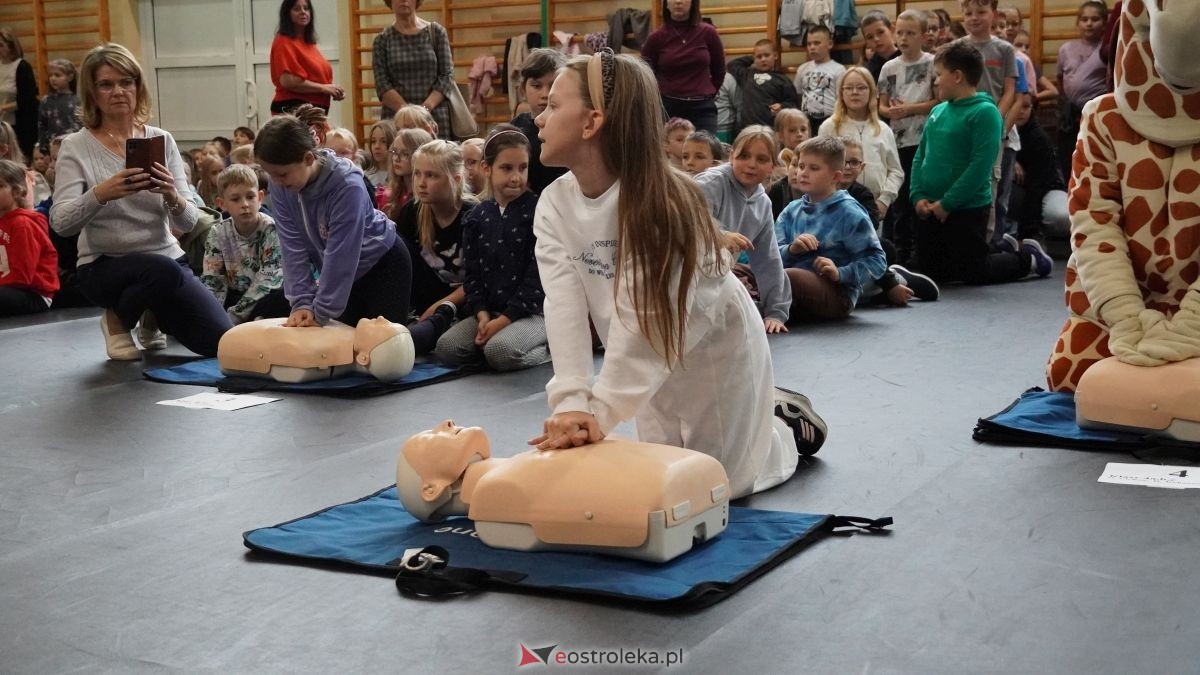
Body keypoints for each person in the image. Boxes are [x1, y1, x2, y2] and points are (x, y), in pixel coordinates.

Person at [531, 51, 827, 500]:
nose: (539, 118)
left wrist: (599, 414)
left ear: (591, 122)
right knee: (663, 481)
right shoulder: (554, 204)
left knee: (719, 486)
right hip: (646, 350)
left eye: (553, 105)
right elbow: (564, 308)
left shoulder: (663, 206)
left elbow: (647, 321)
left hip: (712, 347)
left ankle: (781, 422)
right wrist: (572, 402)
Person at [51, 43, 230, 360]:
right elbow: (61, 224)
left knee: (220, 342)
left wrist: (172, 194)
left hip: (165, 261)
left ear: (138, 86)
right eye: (106, 84)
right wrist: (101, 194)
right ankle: (117, 319)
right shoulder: (75, 147)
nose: (118, 91)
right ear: (92, 92)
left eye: (126, 82)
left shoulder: (162, 139)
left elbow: (189, 223)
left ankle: (152, 309)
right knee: (159, 270)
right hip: (103, 266)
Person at [254, 105, 412, 327]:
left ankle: (431, 326)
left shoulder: (348, 187)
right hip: (340, 272)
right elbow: (292, 246)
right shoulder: (282, 184)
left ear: (308, 159)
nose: (276, 182)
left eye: (281, 174)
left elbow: (342, 255)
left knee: (381, 352)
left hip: (382, 265)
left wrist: (320, 312)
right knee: (338, 353)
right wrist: (301, 303)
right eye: (270, 174)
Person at [910, 42, 1051, 285]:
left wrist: (949, 202)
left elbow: (979, 166)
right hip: (932, 205)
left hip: (966, 207)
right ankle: (996, 250)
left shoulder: (986, 112)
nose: (934, 82)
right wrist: (917, 194)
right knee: (930, 271)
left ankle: (1028, 259)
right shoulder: (939, 111)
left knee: (974, 272)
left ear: (957, 76)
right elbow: (920, 156)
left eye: (938, 75)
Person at [433, 127, 548, 371]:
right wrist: (482, 314)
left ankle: (547, 349)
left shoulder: (539, 211)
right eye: (507, 168)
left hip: (532, 313)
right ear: (487, 168)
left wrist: (504, 321)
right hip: (490, 312)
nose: (516, 177)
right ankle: (492, 345)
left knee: (500, 352)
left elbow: (537, 278)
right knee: (447, 349)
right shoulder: (476, 216)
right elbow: (472, 276)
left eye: (522, 168)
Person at [775, 136, 887, 321]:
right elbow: (771, 255)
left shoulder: (849, 212)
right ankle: (759, 305)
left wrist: (840, 273)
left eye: (814, 168)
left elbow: (877, 261)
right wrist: (791, 249)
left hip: (836, 294)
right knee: (740, 269)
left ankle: (760, 305)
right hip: (790, 287)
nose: (803, 173)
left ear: (835, 176)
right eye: (801, 166)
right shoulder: (791, 211)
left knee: (789, 277)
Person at [695, 126, 792, 333]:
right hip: (683, 275)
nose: (751, 165)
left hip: (717, 278)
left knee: (745, 311)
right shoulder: (711, 183)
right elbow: (682, 227)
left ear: (773, 166)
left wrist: (775, 312)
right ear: (731, 156)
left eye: (762, 159)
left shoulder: (763, 203)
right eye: (744, 156)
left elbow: (768, 259)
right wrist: (720, 236)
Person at [393, 139, 475, 334]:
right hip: (425, 298)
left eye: (431, 176)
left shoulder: (474, 216)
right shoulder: (412, 211)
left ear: (455, 179)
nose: (421, 183)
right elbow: (399, 265)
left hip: (464, 301)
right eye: (417, 174)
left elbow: (478, 281)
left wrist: (440, 306)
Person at [878, 10, 936, 267]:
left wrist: (910, 109)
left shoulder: (933, 63)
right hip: (898, 141)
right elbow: (881, 106)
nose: (903, 38)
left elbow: (940, 101)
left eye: (910, 33)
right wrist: (890, 111)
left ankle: (924, 252)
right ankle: (902, 253)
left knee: (921, 196)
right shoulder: (889, 67)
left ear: (923, 35)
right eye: (899, 32)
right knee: (900, 201)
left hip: (925, 141)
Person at [200, 164, 287, 324]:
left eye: (250, 197)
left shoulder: (271, 229)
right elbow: (213, 279)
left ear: (260, 198)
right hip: (235, 296)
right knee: (198, 297)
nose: (245, 204)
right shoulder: (217, 232)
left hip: (265, 295)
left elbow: (268, 280)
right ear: (222, 203)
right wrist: (213, 317)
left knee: (283, 298)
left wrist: (235, 315)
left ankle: (255, 323)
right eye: (235, 199)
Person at [818, 67, 904, 222]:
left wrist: (883, 201)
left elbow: (896, 171)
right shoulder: (829, 127)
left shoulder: (883, 129)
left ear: (872, 92)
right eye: (849, 88)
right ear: (841, 93)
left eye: (861, 87)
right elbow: (820, 166)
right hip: (835, 205)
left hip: (874, 206)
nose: (855, 92)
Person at [373, 0, 455, 139]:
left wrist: (424, 110)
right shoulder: (382, 39)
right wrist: (409, 114)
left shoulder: (436, 32)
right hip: (397, 117)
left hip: (434, 115)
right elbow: (382, 84)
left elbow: (446, 76)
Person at [641, 0, 725, 135]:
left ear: (693, 3)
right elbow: (645, 73)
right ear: (666, 4)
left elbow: (719, 70)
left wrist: (707, 92)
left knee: (706, 150)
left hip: (702, 108)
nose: (678, 1)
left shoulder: (708, 33)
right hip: (668, 108)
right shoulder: (656, 38)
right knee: (667, 154)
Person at [1056, 1, 1109, 189]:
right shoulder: (1066, 49)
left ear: (1104, 23)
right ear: (1078, 23)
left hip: (1096, 115)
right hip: (1070, 117)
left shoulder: (1107, 49)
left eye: (1095, 19)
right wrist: (1067, 104)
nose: (1089, 23)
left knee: (1093, 160)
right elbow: (1060, 78)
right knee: (1068, 159)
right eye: (1084, 19)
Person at [0, 159, 57, 316]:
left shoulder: (23, 224)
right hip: (8, 287)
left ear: (17, 192)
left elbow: (22, 276)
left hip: (33, 294)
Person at [1009, 96, 1069, 242]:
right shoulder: (1000, 133)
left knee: (1062, 217)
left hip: (1047, 189)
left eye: (1026, 107)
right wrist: (1012, 161)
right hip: (1017, 190)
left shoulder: (1039, 139)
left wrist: (1027, 231)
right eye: (1018, 106)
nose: (1021, 112)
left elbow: (1039, 185)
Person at [269, 0, 343, 115]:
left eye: (306, 8)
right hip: (294, 110)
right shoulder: (283, 40)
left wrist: (333, 90)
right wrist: (323, 88)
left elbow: (319, 79)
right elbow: (288, 81)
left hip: (314, 111)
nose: (303, 12)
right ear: (287, 13)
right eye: (297, 9)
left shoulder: (308, 43)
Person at [511, 49, 567, 195]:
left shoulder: (570, 127)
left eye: (553, 85)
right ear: (523, 90)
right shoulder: (516, 128)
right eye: (536, 86)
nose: (545, 94)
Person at [727, 40, 799, 132]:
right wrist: (753, 57)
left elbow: (794, 104)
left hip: (771, 129)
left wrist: (782, 105)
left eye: (767, 55)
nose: (763, 59)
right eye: (759, 57)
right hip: (747, 128)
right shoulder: (747, 74)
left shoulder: (782, 79)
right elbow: (732, 65)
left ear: (775, 56)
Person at [793, 26, 844, 134]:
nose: (812, 47)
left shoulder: (838, 69)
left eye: (817, 43)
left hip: (829, 119)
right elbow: (798, 95)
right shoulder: (802, 69)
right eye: (809, 44)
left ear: (829, 44)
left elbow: (841, 98)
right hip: (806, 121)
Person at [0, 28, 38, 162]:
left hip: (19, 125)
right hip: (2, 122)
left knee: (18, 160)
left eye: (1, 45)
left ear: (11, 47)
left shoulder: (22, 67)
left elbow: (27, 100)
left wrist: (3, 108)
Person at [383, 126, 431, 220]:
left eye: (405, 154)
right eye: (394, 151)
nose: (396, 158)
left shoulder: (427, 196)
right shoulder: (392, 194)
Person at [37, 59, 80, 155]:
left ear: (70, 77)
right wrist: (43, 149)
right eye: (50, 75)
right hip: (54, 149)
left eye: (57, 75)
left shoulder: (78, 101)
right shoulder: (46, 101)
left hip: (75, 148)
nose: (53, 79)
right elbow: (42, 126)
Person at [1012, 30, 1059, 106]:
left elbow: (1053, 91)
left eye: (1027, 47)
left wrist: (1033, 97)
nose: (1024, 50)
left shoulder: (1031, 67)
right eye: (1018, 45)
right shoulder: (1005, 66)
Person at [861, 12, 901, 83]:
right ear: (866, 42)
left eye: (880, 32)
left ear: (892, 30)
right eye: (870, 37)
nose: (876, 39)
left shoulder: (908, 56)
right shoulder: (869, 71)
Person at [362, 120, 394, 194]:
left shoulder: (399, 177)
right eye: (373, 141)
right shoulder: (366, 176)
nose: (377, 146)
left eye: (383, 141)